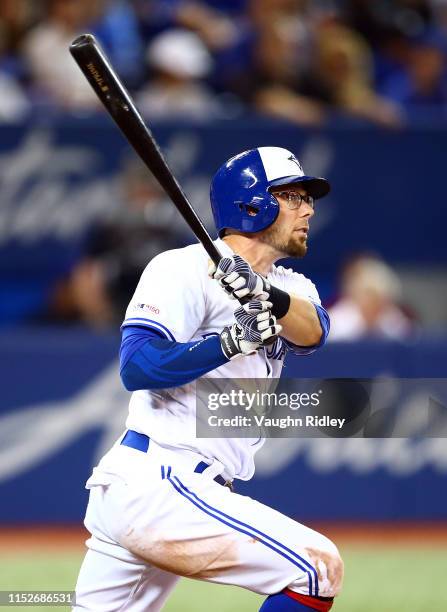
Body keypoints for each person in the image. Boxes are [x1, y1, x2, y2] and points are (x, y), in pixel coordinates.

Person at [73, 147, 343, 611]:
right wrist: (228, 341)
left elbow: (314, 332)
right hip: (160, 479)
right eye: (294, 196)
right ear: (252, 202)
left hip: (175, 486)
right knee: (315, 567)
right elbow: (137, 367)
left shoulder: (293, 286)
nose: (308, 209)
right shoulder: (181, 268)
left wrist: (261, 292)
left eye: (308, 199)